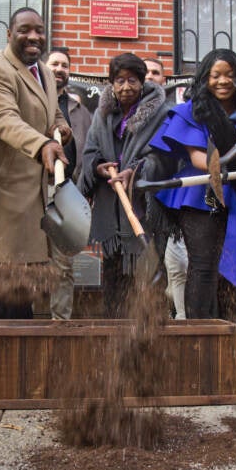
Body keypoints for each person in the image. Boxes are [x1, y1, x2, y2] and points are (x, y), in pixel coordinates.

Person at [150, 48, 236, 320]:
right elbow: (196, 155)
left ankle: (229, 330)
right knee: (203, 264)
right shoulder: (192, 111)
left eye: (230, 75)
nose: (222, 81)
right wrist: (222, 166)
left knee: (234, 261)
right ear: (205, 78)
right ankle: (199, 333)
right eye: (215, 75)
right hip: (204, 195)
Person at [0, 7, 72, 320]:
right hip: (1, 197)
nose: (34, 37)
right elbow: (5, 120)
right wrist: (43, 144)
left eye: (39, 30)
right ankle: (2, 362)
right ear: (9, 34)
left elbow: (50, 113)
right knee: (3, 281)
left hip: (32, 196)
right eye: (25, 30)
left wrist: (61, 126)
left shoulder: (43, 73)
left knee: (23, 285)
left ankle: (19, 358)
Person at [77, 53, 171, 317]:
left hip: (144, 209)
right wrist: (99, 167)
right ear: (111, 83)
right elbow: (90, 151)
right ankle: (114, 335)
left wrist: (135, 170)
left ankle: (145, 335)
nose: (125, 87)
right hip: (112, 206)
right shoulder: (103, 113)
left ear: (142, 82)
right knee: (114, 277)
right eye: (119, 81)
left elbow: (163, 155)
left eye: (132, 80)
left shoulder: (161, 113)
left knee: (147, 277)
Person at [45, 48, 93, 319]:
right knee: (29, 259)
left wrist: (82, 192)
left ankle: (59, 323)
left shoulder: (80, 110)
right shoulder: (34, 103)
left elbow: (87, 153)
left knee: (63, 263)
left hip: (67, 193)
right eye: (54, 64)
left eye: (64, 65)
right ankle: (23, 324)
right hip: (34, 190)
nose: (59, 69)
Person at [143, 57, 188, 320]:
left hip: (167, 205)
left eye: (156, 72)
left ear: (164, 80)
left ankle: (174, 321)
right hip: (135, 204)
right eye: (145, 72)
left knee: (174, 270)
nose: (150, 76)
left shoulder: (173, 113)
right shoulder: (121, 116)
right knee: (142, 270)